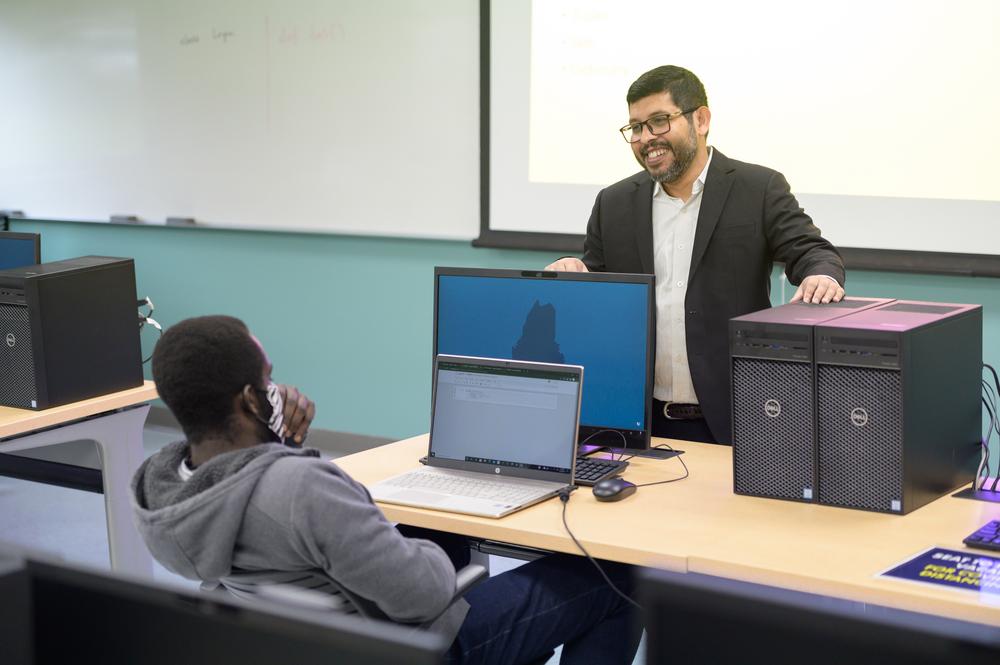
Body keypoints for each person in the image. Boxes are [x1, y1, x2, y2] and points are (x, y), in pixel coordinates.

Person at [131, 315, 641, 665]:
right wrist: (436, 559)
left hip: (318, 643)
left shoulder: (165, 491)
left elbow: (260, 493)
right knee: (618, 577)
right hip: (413, 646)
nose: (277, 387)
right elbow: (423, 594)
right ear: (249, 399)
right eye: (269, 378)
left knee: (427, 529)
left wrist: (273, 441)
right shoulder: (301, 486)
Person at [546, 65, 846, 445]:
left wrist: (820, 275)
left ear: (700, 119)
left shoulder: (758, 188)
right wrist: (575, 273)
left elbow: (811, 250)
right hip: (638, 421)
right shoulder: (614, 202)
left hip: (734, 420)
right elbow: (600, 285)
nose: (646, 139)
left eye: (658, 121)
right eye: (636, 128)